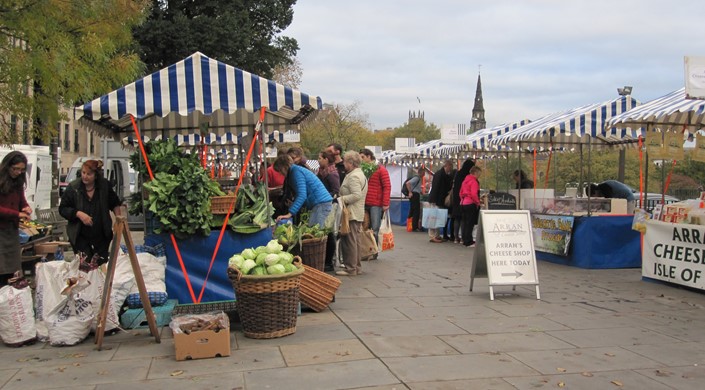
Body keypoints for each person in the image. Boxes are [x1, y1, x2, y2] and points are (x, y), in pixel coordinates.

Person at [59, 159, 122, 264]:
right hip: (80, 236)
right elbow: (63, 209)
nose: (85, 176)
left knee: (100, 265)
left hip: (101, 236)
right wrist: (78, 214)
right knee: (85, 265)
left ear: (96, 175)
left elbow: (115, 203)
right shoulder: (74, 188)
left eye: (89, 174)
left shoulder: (104, 186)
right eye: (83, 173)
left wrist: (119, 220)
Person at [0, 152, 32, 286]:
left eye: (22, 169)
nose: (18, 172)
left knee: (12, 269)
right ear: (8, 166)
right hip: (1, 230)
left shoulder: (18, 182)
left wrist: (25, 207)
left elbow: (21, 200)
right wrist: (17, 214)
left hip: (12, 231)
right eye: (15, 169)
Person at [273, 155, 332, 228]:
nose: (281, 174)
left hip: (321, 204)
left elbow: (302, 195)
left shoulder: (295, 172)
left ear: (284, 167)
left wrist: (290, 213)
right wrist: (294, 204)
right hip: (320, 203)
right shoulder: (295, 171)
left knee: (316, 232)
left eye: (280, 170)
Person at [336, 151, 368, 276]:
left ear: (350, 163)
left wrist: (341, 199)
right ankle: (356, 266)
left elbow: (356, 195)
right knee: (355, 240)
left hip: (352, 212)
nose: (343, 164)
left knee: (350, 241)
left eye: (345, 161)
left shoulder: (353, 176)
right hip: (357, 212)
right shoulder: (360, 174)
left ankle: (350, 268)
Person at [359, 148, 391, 259]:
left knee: (375, 229)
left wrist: (385, 203)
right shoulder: (363, 169)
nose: (361, 159)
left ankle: (374, 252)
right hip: (365, 202)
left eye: (363, 157)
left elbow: (387, 186)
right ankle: (366, 250)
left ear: (369, 156)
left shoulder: (380, 169)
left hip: (376, 203)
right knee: (364, 227)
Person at [317, 149, 340, 272]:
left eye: (320, 158)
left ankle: (329, 261)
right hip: (322, 204)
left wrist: (325, 198)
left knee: (329, 232)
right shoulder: (321, 172)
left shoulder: (332, 173)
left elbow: (336, 191)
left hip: (330, 206)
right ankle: (325, 260)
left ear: (326, 159)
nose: (318, 160)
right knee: (325, 231)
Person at [427, 160, 454, 243]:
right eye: (451, 167)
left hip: (439, 200)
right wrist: (434, 200)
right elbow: (436, 187)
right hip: (436, 200)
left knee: (438, 218)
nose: (451, 169)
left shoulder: (443, 174)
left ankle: (437, 235)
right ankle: (432, 236)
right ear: (447, 166)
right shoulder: (440, 174)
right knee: (433, 218)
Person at [450, 159, 475, 243]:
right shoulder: (468, 176)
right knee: (463, 219)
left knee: (457, 218)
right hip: (465, 199)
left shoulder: (458, 173)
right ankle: (463, 237)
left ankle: (456, 237)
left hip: (457, 198)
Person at [460, 166, 482, 247]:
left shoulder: (464, 181)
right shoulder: (474, 182)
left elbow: (460, 192)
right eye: (479, 174)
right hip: (470, 203)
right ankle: (469, 241)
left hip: (463, 203)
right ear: (475, 173)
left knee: (465, 222)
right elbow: (474, 194)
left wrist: (462, 199)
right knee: (470, 223)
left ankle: (465, 240)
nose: (479, 176)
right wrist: (477, 202)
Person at [405, 166, 426, 232]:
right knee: (416, 211)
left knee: (412, 210)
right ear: (421, 172)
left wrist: (420, 192)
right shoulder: (417, 178)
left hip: (415, 194)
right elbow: (408, 183)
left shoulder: (417, 178)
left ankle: (410, 225)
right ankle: (415, 227)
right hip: (415, 195)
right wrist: (410, 192)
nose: (424, 175)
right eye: (424, 173)